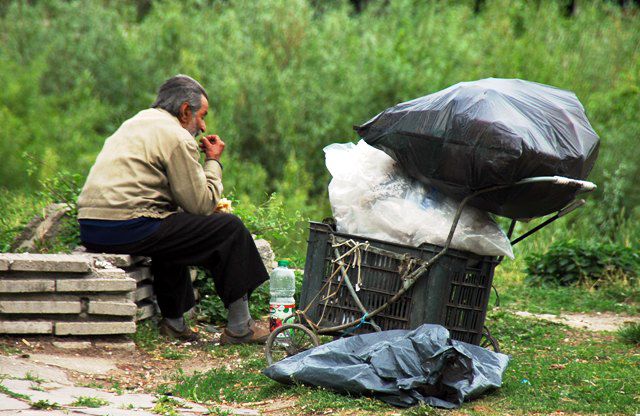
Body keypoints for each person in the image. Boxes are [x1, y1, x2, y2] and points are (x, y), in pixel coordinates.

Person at [77, 74, 270, 344]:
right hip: (128, 225)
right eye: (201, 116)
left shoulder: (136, 122)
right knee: (230, 229)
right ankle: (241, 328)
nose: (203, 126)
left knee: (174, 228)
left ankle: (174, 323)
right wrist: (213, 162)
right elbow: (202, 205)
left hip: (92, 226)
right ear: (184, 111)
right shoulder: (177, 136)